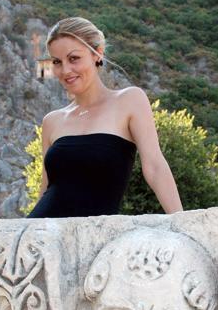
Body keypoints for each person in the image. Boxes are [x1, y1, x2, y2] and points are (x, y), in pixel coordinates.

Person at [27, 17, 183, 218]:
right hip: (44, 230)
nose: (65, 70)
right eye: (57, 62)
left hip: (94, 233)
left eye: (74, 58)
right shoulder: (52, 121)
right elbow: (46, 188)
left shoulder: (130, 100)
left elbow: (155, 166)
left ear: (97, 54)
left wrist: (181, 222)